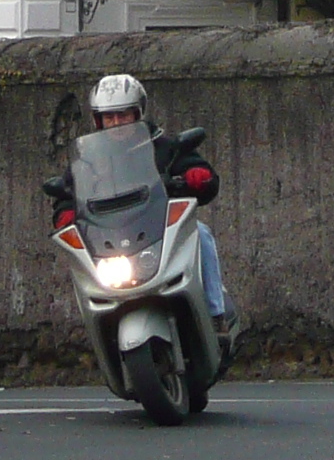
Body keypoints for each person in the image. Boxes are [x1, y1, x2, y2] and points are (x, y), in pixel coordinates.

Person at [87, 71, 228, 323]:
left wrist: (197, 176)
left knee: (201, 234)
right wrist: (64, 210)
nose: (117, 123)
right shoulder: (90, 161)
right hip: (112, 239)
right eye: (109, 117)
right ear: (99, 121)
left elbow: (197, 169)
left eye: (124, 114)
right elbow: (69, 191)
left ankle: (216, 313)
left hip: (160, 230)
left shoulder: (161, 146)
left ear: (138, 113)